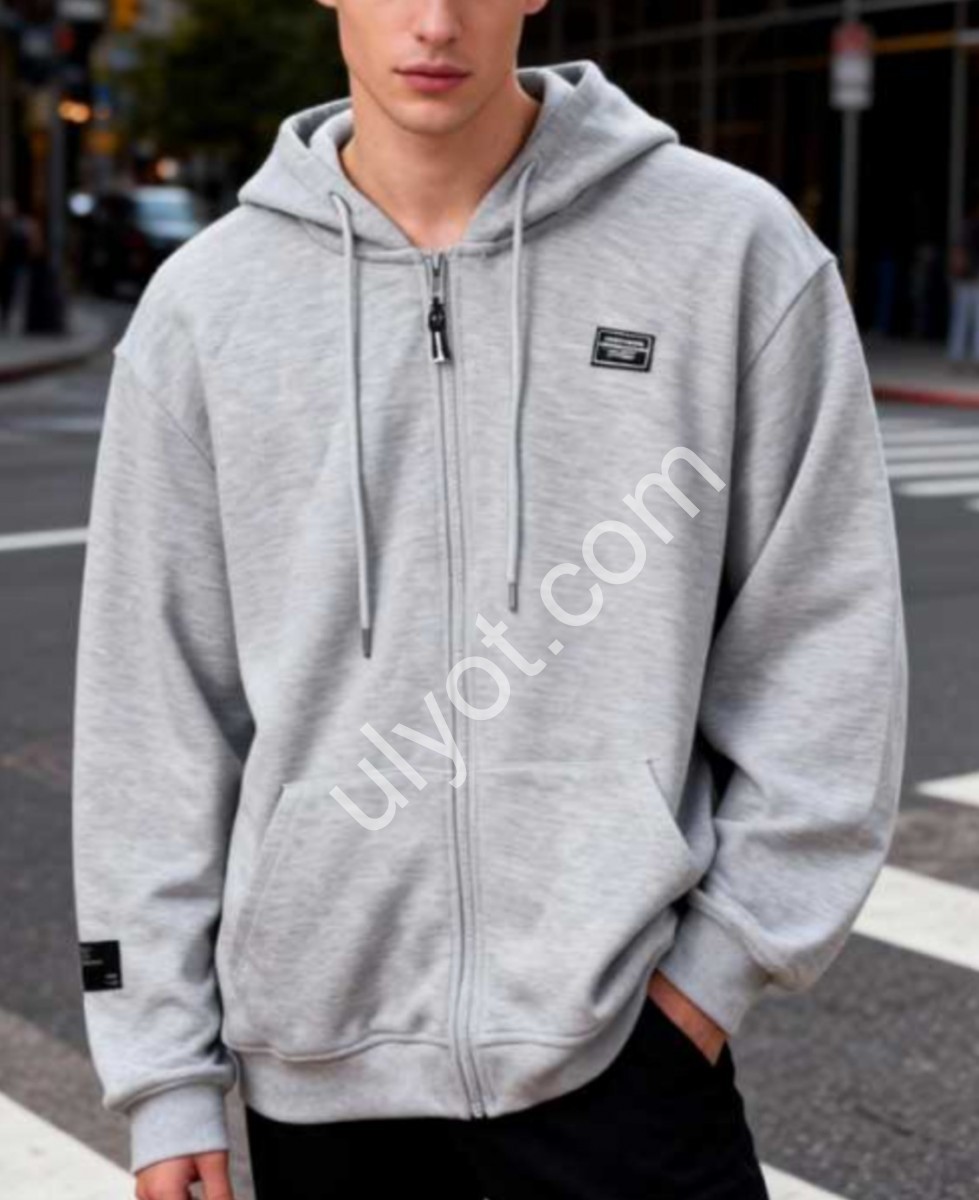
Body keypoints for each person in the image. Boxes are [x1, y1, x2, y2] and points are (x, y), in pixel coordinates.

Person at [70, 2, 909, 1198]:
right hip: (320, 1078)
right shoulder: (207, 309)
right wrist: (162, 1073)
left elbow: (826, 637)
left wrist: (712, 978)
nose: (434, 22)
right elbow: (152, 719)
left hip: (628, 1062)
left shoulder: (726, 251)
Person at [946, 196, 979, 369]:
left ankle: (961, 356)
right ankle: (959, 356)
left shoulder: (966, 228)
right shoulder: (968, 228)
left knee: (964, 320)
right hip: (968, 280)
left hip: (969, 280)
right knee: (964, 320)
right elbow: (958, 256)